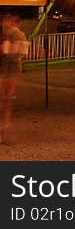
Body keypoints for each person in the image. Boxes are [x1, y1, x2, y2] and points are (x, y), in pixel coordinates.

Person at [0, 13, 29, 144]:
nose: (6, 24)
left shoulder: (18, 34)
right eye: (5, 21)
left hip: (10, 70)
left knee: (6, 100)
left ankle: (4, 130)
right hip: (6, 69)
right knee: (6, 100)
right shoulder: (7, 34)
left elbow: (21, 53)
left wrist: (7, 49)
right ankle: (4, 130)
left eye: (8, 21)